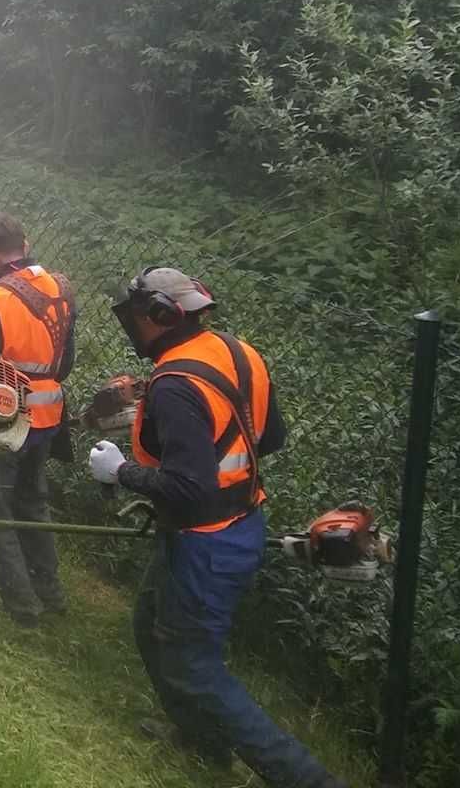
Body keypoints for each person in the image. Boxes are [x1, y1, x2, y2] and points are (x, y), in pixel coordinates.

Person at [87, 267, 348, 788]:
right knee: (149, 623)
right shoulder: (236, 351)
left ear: (162, 318)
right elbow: (269, 437)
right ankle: (201, 739)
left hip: (204, 542)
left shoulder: (175, 386)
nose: (132, 329)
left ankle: (310, 780)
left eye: (138, 319)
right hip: (237, 521)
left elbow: (190, 487)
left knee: (194, 667)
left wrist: (121, 471)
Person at [0, 212, 76, 626]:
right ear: (25, 243)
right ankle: (51, 593)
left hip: (4, 413)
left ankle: (22, 607)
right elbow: (66, 361)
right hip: (49, 413)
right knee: (33, 503)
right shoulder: (62, 289)